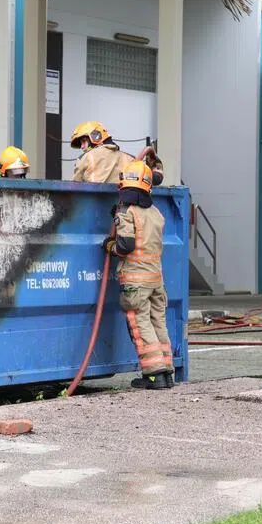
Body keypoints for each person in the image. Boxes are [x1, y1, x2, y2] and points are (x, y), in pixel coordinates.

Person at [103, 160, 175, 390]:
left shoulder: (126, 211)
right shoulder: (156, 213)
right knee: (158, 323)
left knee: (140, 325)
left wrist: (109, 246)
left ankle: (154, 375)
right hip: (156, 280)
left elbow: (125, 245)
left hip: (136, 282)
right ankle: (167, 372)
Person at [70, 121, 165, 185]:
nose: (82, 147)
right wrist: (157, 170)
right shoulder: (131, 159)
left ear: (95, 137)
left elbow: (74, 186)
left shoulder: (85, 158)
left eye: (83, 141)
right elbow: (154, 180)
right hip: (123, 206)